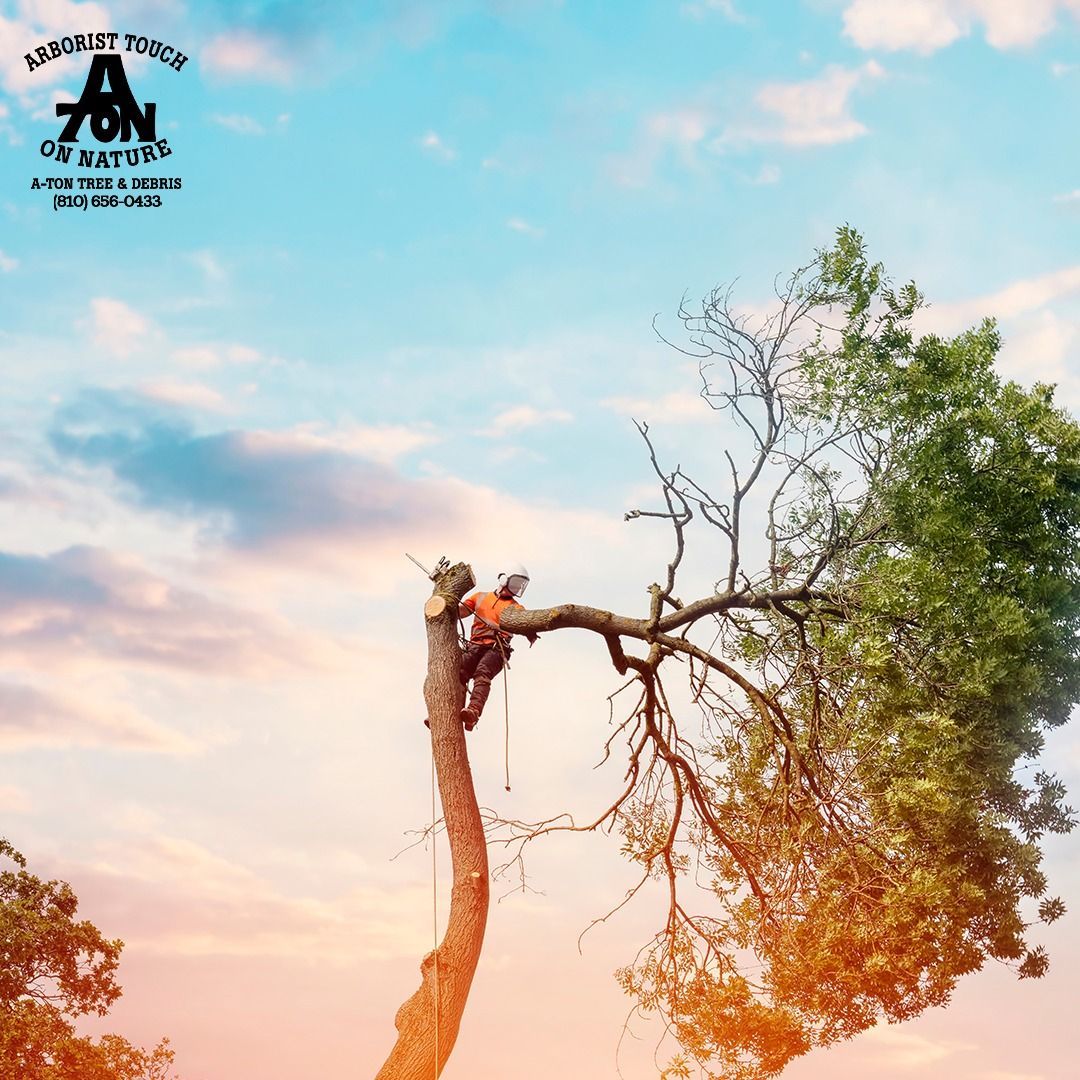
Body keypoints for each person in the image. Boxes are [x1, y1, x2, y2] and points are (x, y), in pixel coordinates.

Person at [456, 563, 536, 731]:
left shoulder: (516, 608)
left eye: (519, 586)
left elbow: (524, 622)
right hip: (475, 646)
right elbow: (461, 612)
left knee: (483, 672)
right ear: (504, 579)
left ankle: (473, 712)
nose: (516, 589)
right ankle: (449, 712)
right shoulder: (480, 597)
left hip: (497, 649)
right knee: (459, 671)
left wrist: (530, 631)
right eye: (514, 583)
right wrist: (447, 605)